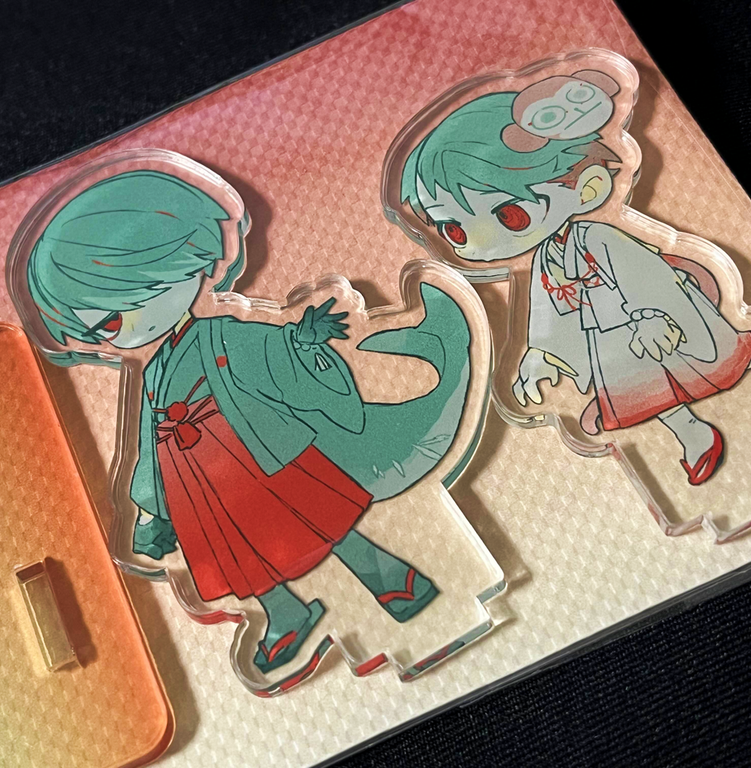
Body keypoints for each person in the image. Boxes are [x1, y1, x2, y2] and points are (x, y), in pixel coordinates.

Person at [27, 169, 475, 672]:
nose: (111, 337)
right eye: (97, 332)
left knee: (312, 518)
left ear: (180, 259)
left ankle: (388, 574)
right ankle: (284, 612)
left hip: (256, 455)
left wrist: (301, 341)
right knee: (236, 552)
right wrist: (154, 509)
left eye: (111, 318)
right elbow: (150, 444)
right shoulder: (153, 374)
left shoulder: (220, 335)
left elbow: (269, 354)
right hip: (199, 483)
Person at [400, 72, 751, 485]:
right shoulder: (546, 260)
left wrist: (652, 315)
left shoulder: (599, 237)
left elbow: (647, 273)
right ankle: (695, 435)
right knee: (644, 392)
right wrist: (541, 355)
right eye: (454, 229)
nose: (477, 239)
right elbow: (547, 314)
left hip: (657, 317)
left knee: (713, 360)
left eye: (509, 215)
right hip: (611, 340)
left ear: (587, 187)